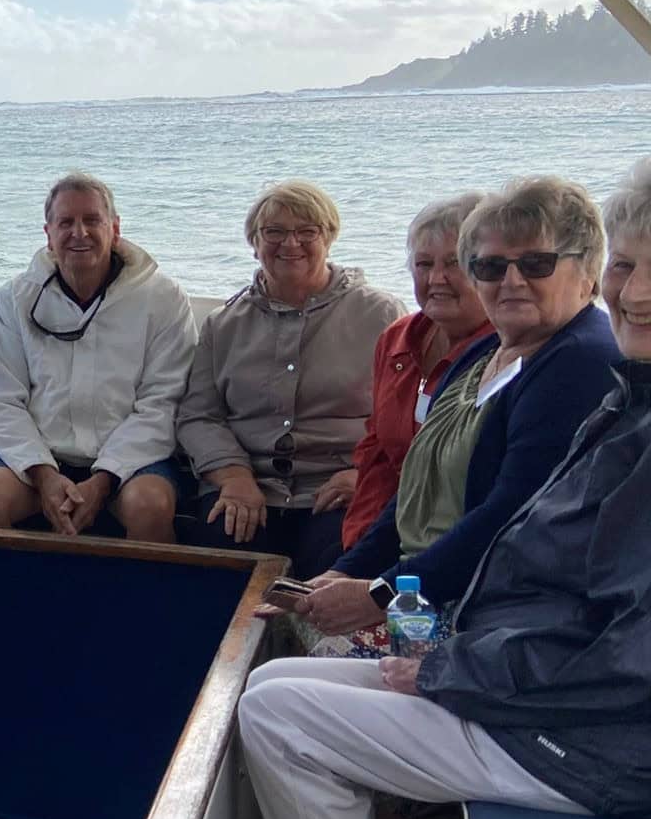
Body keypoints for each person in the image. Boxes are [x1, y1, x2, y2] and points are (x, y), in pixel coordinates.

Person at [232, 158, 651, 819]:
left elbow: (627, 657)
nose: (636, 291)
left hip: (585, 739)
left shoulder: (583, 371)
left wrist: (442, 654)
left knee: (275, 711)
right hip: (527, 678)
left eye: (533, 266)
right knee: (278, 680)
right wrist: (398, 605)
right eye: (629, 265)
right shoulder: (617, 387)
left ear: (572, 270)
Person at [275, 178, 620, 656]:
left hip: (485, 616)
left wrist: (383, 594)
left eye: (536, 264)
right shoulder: (485, 353)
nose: (511, 281)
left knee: (280, 679)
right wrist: (348, 570)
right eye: (491, 266)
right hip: (429, 591)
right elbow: (415, 491)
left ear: (588, 272)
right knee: (274, 637)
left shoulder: (579, 362)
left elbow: (508, 516)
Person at [177, 181, 404, 575]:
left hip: (339, 486)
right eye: (275, 232)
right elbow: (200, 415)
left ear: (328, 238)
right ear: (254, 242)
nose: (290, 243)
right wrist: (233, 476)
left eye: (307, 231)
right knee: (220, 560)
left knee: (342, 559)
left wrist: (365, 475)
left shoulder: (380, 314)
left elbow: (403, 412)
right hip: (249, 485)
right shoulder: (224, 324)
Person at [0, 172, 195, 542]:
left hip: (133, 463)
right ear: (48, 235)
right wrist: (43, 473)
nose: (79, 233)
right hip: (38, 460)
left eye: (92, 221)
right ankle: (1, 598)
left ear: (115, 229)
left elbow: (163, 404)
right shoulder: (13, 299)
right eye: (66, 223)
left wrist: (103, 480)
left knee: (150, 506)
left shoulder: (163, 300)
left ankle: (146, 600)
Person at [337, 193, 492, 553]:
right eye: (424, 264)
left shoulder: (501, 351)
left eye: (454, 263)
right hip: (385, 526)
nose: (437, 278)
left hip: (451, 540)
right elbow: (376, 450)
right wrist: (358, 542)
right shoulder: (398, 339)